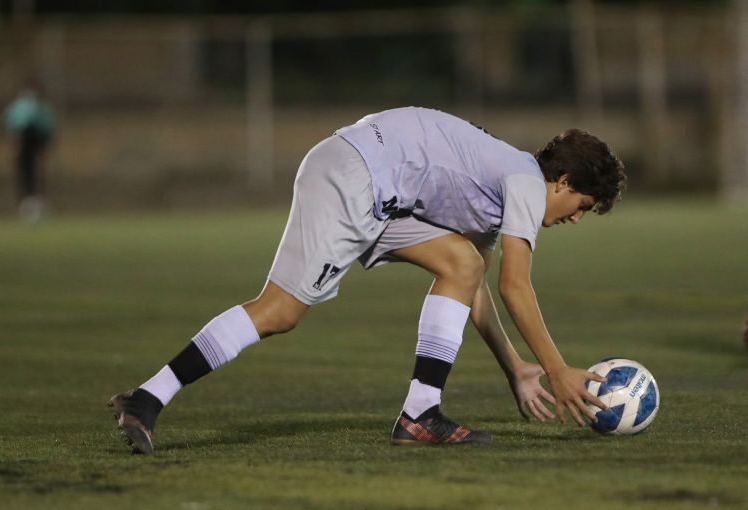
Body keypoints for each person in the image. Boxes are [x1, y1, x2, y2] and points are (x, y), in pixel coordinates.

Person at [109, 107, 626, 453]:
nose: (577, 218)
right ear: (562, 182)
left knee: (463, 264)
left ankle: (420, 414)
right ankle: (147, 397)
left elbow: (477, 288)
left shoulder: (507, 183)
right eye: (582, 205)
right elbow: (517, 286)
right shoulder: (525, 183)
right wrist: (556, 370)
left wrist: (515, 368)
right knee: (280, 311)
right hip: (358, 175)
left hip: (373, 183)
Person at [1, 82, 56, 222]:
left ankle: (35, 200)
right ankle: (29, 201)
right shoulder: (23, 107)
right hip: (26, 140)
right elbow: (12, 125)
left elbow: (46, 126)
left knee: (33, 171)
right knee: (26, 170)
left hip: (33, 139)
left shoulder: (38, 108)